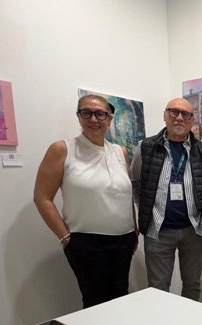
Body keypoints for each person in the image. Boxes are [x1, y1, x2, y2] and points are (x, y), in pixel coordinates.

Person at [33, 95, 137, 309]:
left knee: (121, 298)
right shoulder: (63, 149)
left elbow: (126, 194)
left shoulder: (120, 152)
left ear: (109, 119)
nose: (94, 119)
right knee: (95, 302)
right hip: (86, 242)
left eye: (100, 114)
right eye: (86, 113)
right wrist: (65, 237)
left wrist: (134, 231)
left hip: (123, 239)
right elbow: (42, 197)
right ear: (79, 116)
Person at [130, 98, 202, 301]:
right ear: (165, 116)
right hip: (157, 231)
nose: (180, 118)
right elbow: (135, 182)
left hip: (194, 231)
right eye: (174, 112)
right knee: (158, 288)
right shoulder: (145, 147)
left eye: (186, 114)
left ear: (192, 120)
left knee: (192, 285)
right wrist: (147, 209)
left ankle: (187, 321)